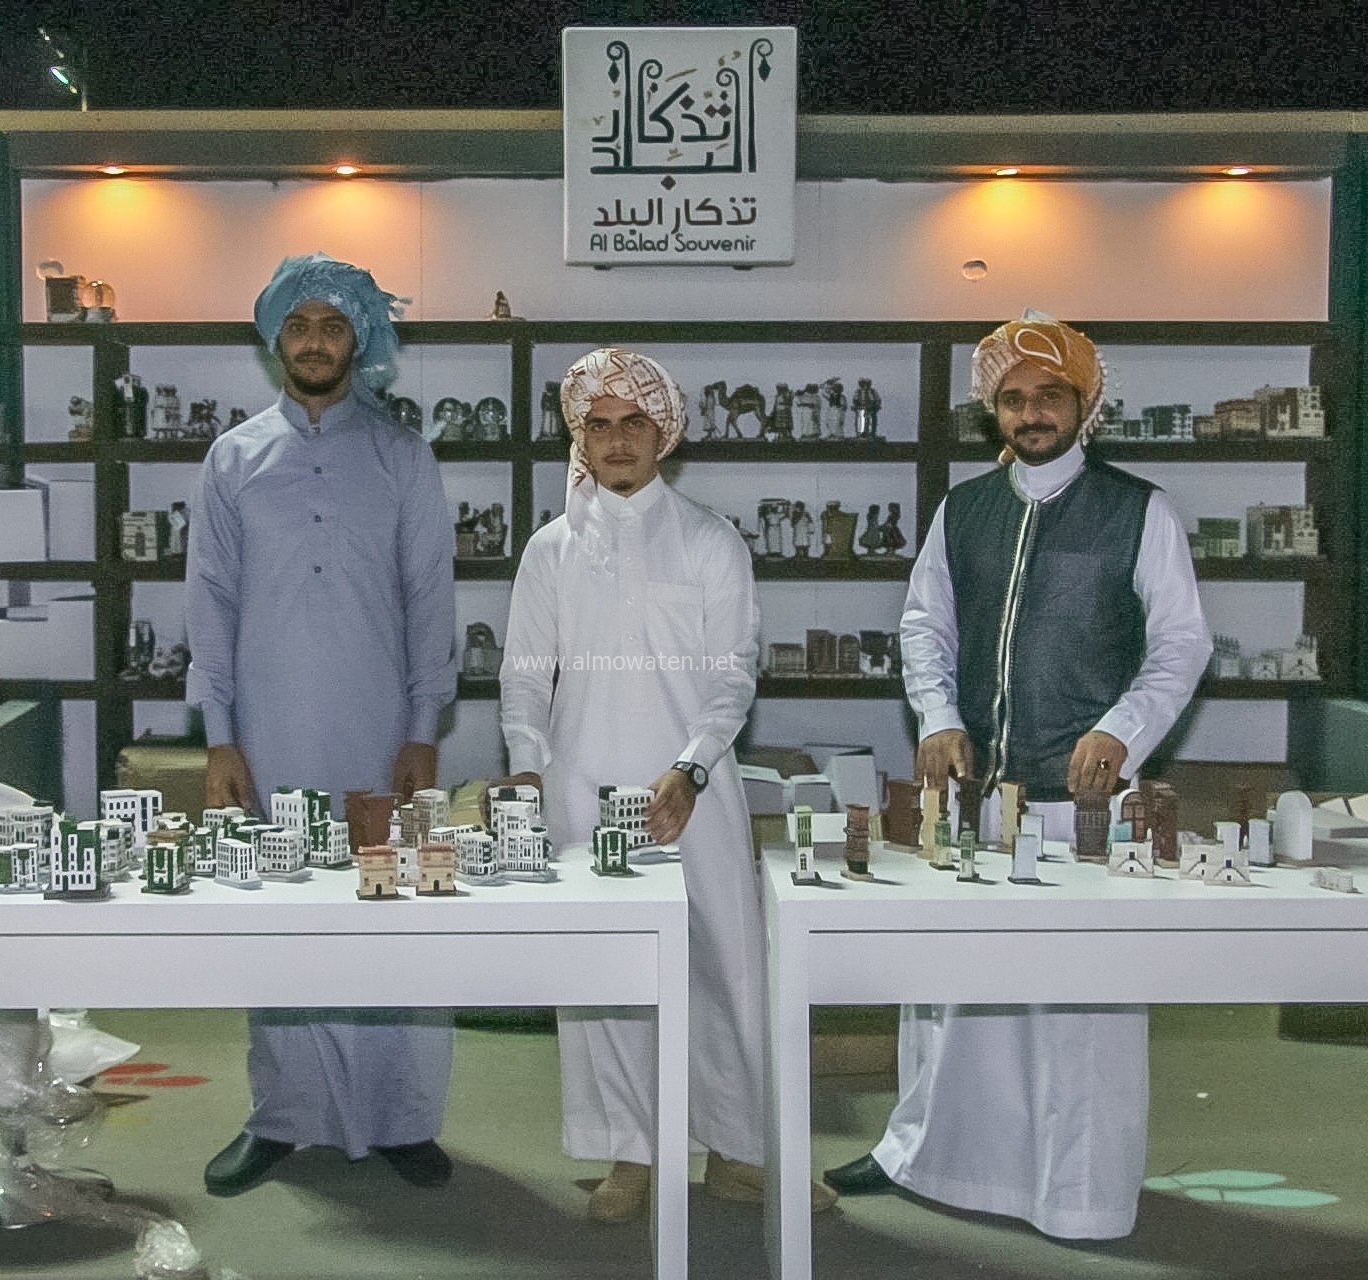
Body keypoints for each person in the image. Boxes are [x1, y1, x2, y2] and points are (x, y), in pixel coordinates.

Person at [823, 309, 1212, 1240]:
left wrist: (1121, 730)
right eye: (1013, 399)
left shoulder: (1139, 509)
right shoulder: (965, 509)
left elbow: (1182, 643)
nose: (1031, 413)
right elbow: (926, 625)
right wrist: (939, 717)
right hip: (976, 798)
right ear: (990, 410)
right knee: (950, 991)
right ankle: (920, 1155)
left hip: (1081, 806)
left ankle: (1077, 1196)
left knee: (1078, 1010)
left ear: (1086, 404)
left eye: (1050, 396)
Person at [494, 348, 836, 1224]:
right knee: (605, 976)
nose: (616, 440)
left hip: (694, 789)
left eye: (633, 422)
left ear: (664, 433)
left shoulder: (709, 540)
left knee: (724, 966)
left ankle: (741, 1153)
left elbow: (733, 676)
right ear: (580, 438)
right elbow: (524, 674)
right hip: (581, 789)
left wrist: (692, 763)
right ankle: (631, 1154)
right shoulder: (551, 550)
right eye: (598, 424)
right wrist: (527, 769)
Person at [185, 252, 458, 1196]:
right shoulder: (232, 459)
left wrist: (422, 728)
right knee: (281, 915)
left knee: (393, 914)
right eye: (298, 326)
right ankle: (282, 1117)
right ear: (275, 339)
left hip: (381, 729)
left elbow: (428, 598)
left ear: (359, 339)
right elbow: (210, 598)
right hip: (267, 732)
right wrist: (220, 734)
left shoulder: (401, 457)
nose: (313, 342)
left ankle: (402, 1119)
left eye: (333, 326)